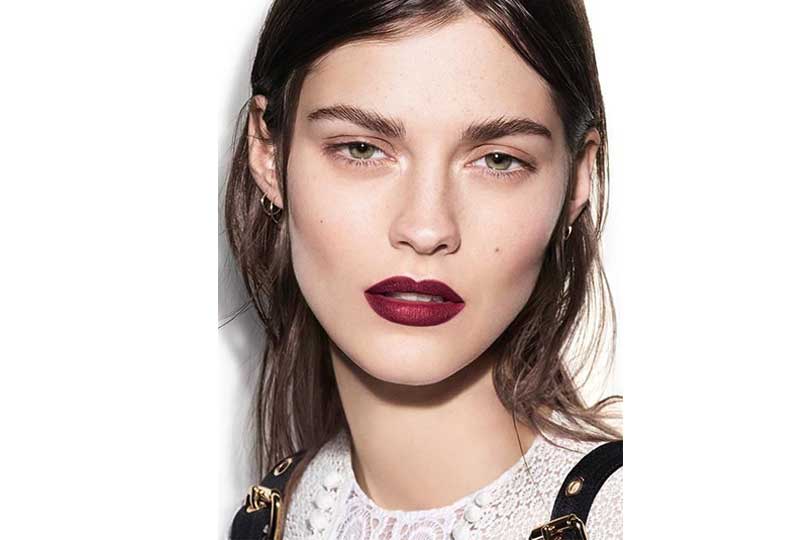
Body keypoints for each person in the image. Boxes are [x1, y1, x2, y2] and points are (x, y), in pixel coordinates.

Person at [222, 1, 623, 538]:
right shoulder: (271, 519)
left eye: (498, 160)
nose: (427, 228)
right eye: (361, 148)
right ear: (268, 155)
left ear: (576, 180)